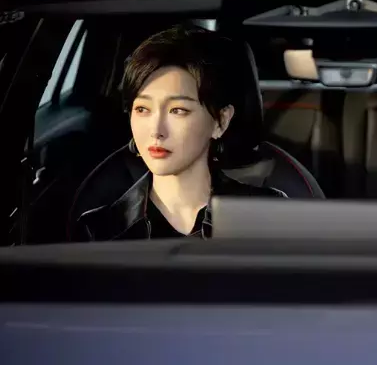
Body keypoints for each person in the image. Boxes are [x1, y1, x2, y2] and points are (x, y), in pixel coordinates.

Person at [75, 25, 286, 241]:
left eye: (178, 110)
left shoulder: (269, 214)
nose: (156, 131)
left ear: (221, 121)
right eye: (142, 109)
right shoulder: (98, 230)